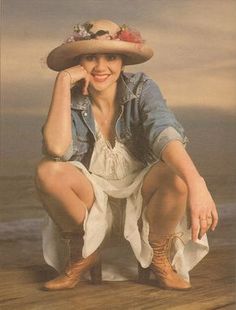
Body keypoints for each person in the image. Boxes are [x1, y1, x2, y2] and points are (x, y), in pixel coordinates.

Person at [35, 19, 218, 291]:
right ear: (78, 62)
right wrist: (62, 82)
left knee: (176, 175)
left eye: (111, 57)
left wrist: (197, 182)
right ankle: (82, 253)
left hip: (142, 191)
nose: (100, 67)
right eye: (90, 57)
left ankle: (158, 257)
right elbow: (56, 149)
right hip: (91, 193)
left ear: (123, 61)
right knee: (47, 171)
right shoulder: (72, 96)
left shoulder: (142, 88)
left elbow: (164, 132)